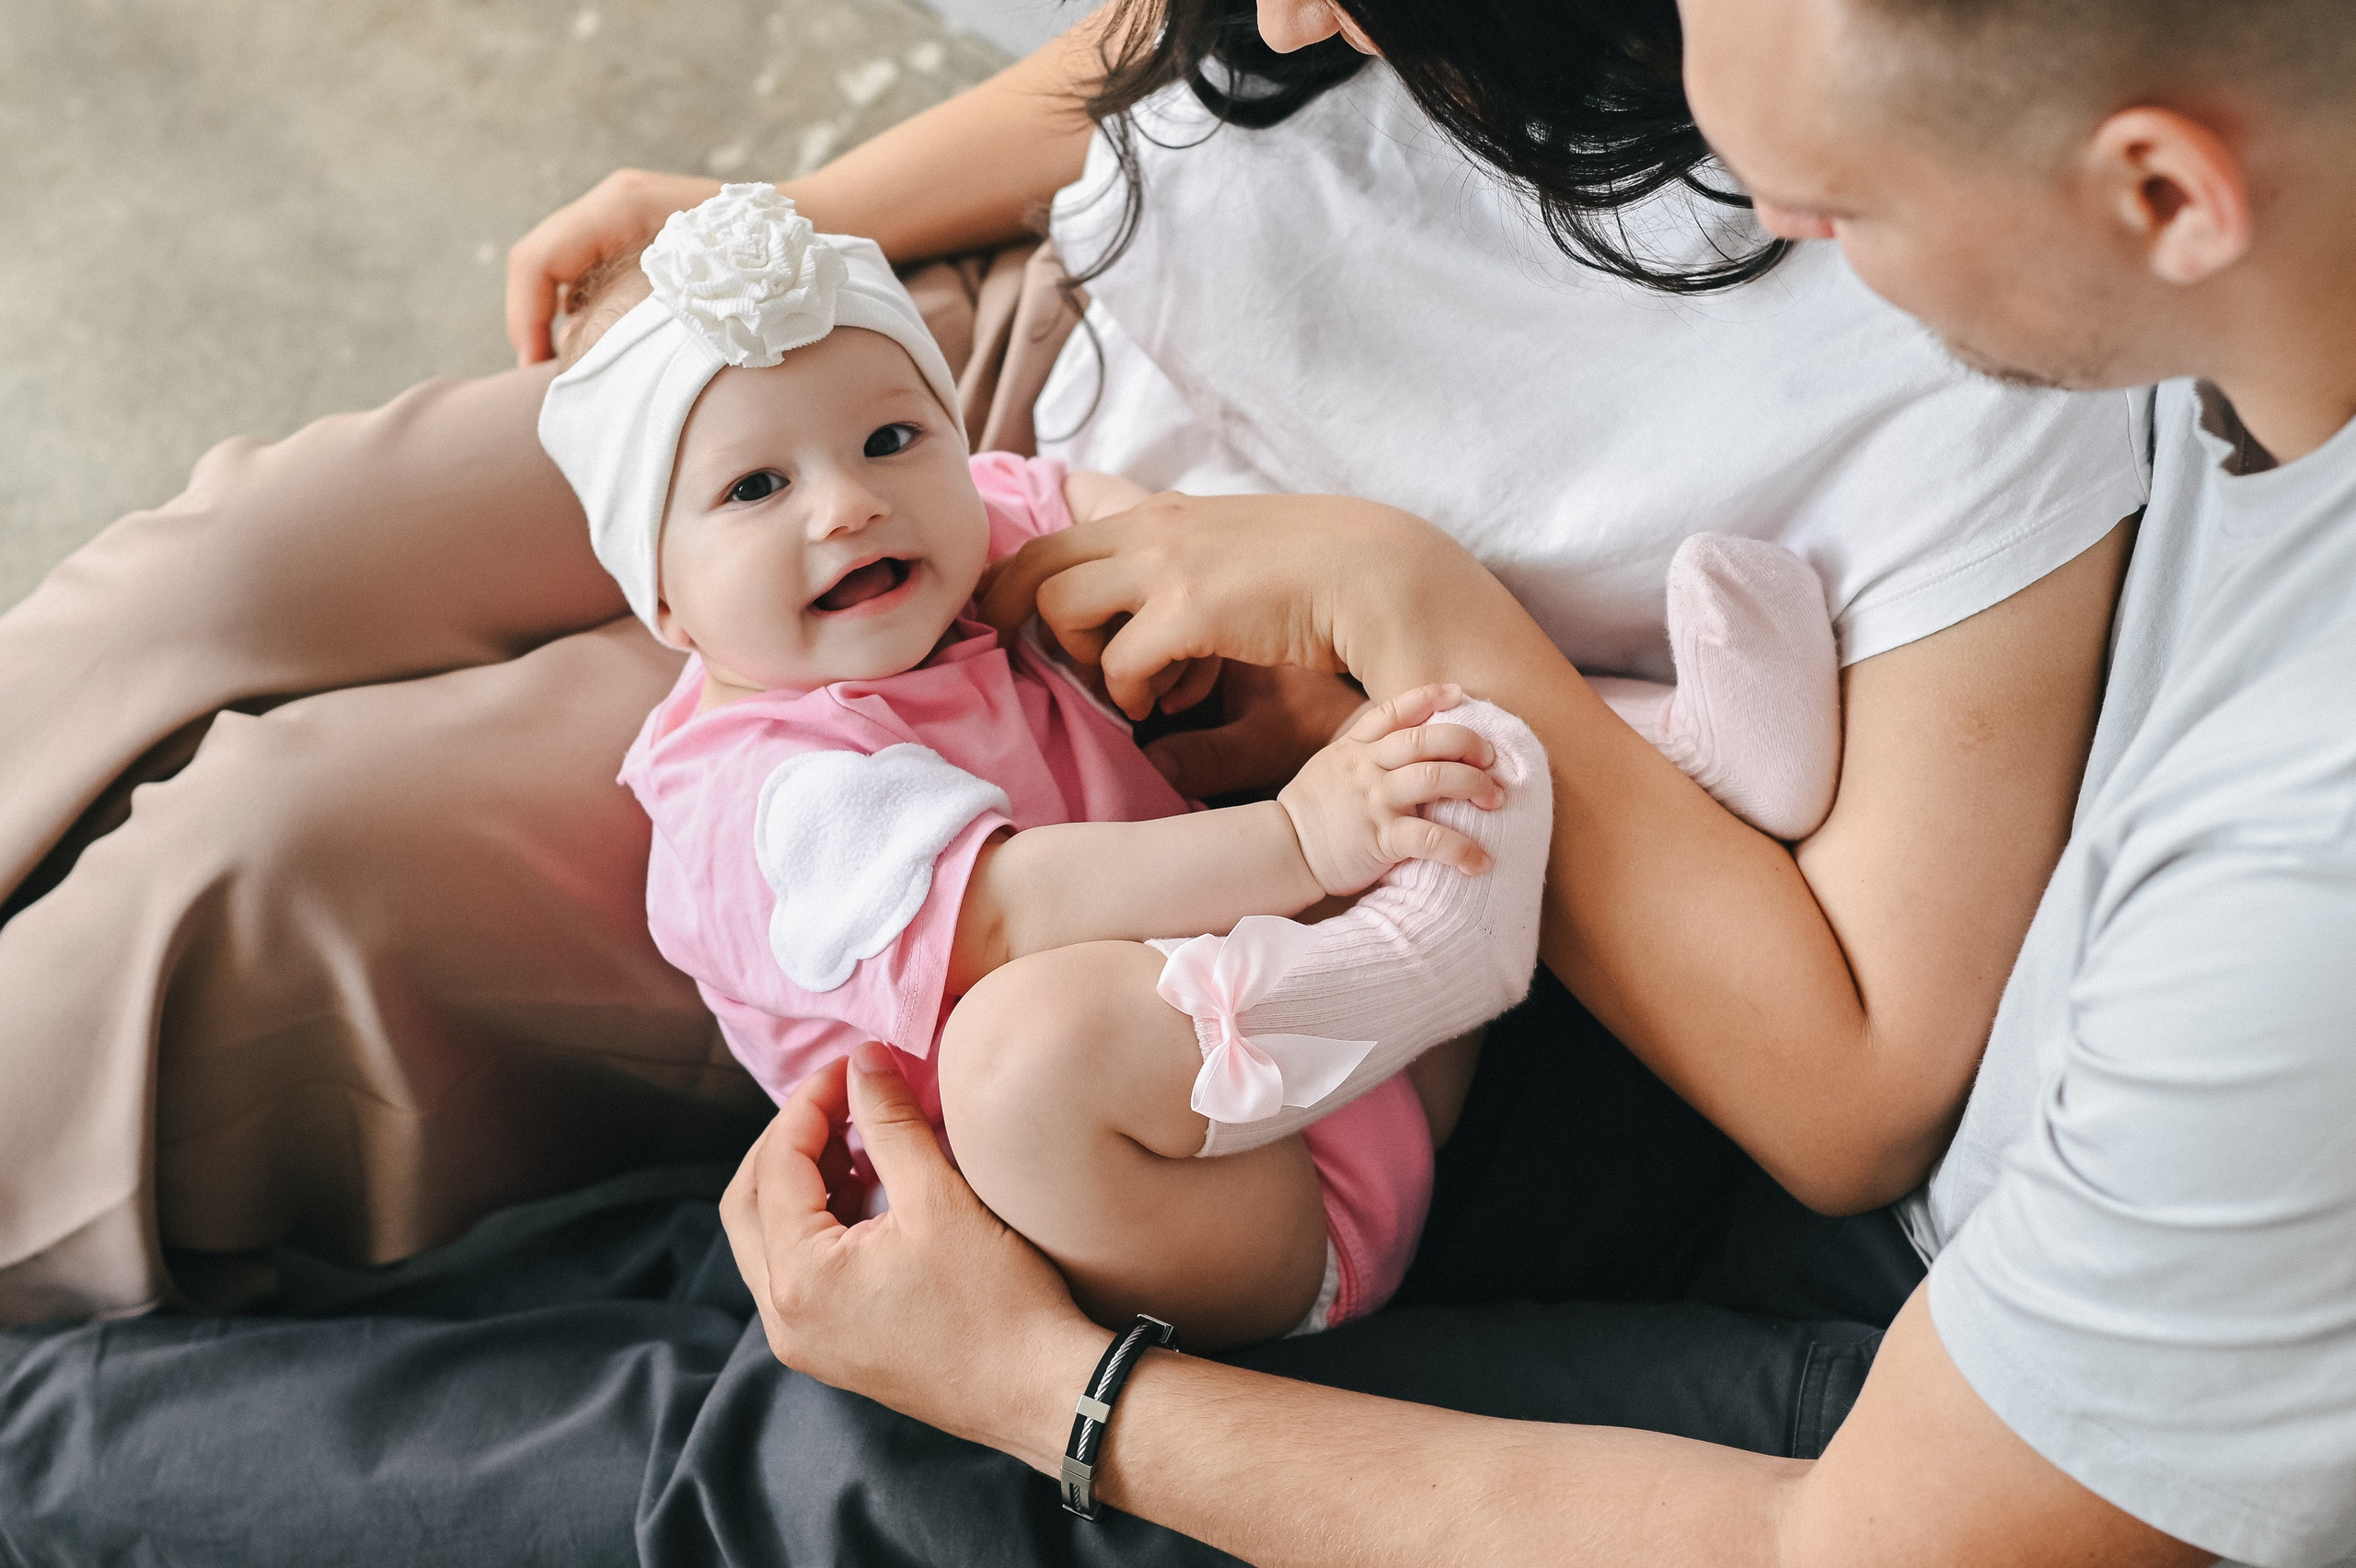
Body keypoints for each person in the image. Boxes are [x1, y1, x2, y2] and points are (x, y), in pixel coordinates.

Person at [0, 0, 2138, 1330]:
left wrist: (1401, 600)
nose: (1281, 12)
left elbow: (1851, 1086)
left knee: (270, 872)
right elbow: (1165, 74)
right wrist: (791, 237)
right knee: (228, 562)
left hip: (1098, 740)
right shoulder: (1288, 21)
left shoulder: (1961, 284)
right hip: (961, 402)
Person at [714, 0, 2356, 1562]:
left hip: (1896, 1372)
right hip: (1836, 1184)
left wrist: (1034, 1393)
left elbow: (1873, 1540)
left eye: (1845, 206)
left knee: (787, 1462)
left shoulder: (2292, 884)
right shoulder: (2254, 314)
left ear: (2159, 190)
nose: (1757, 203)